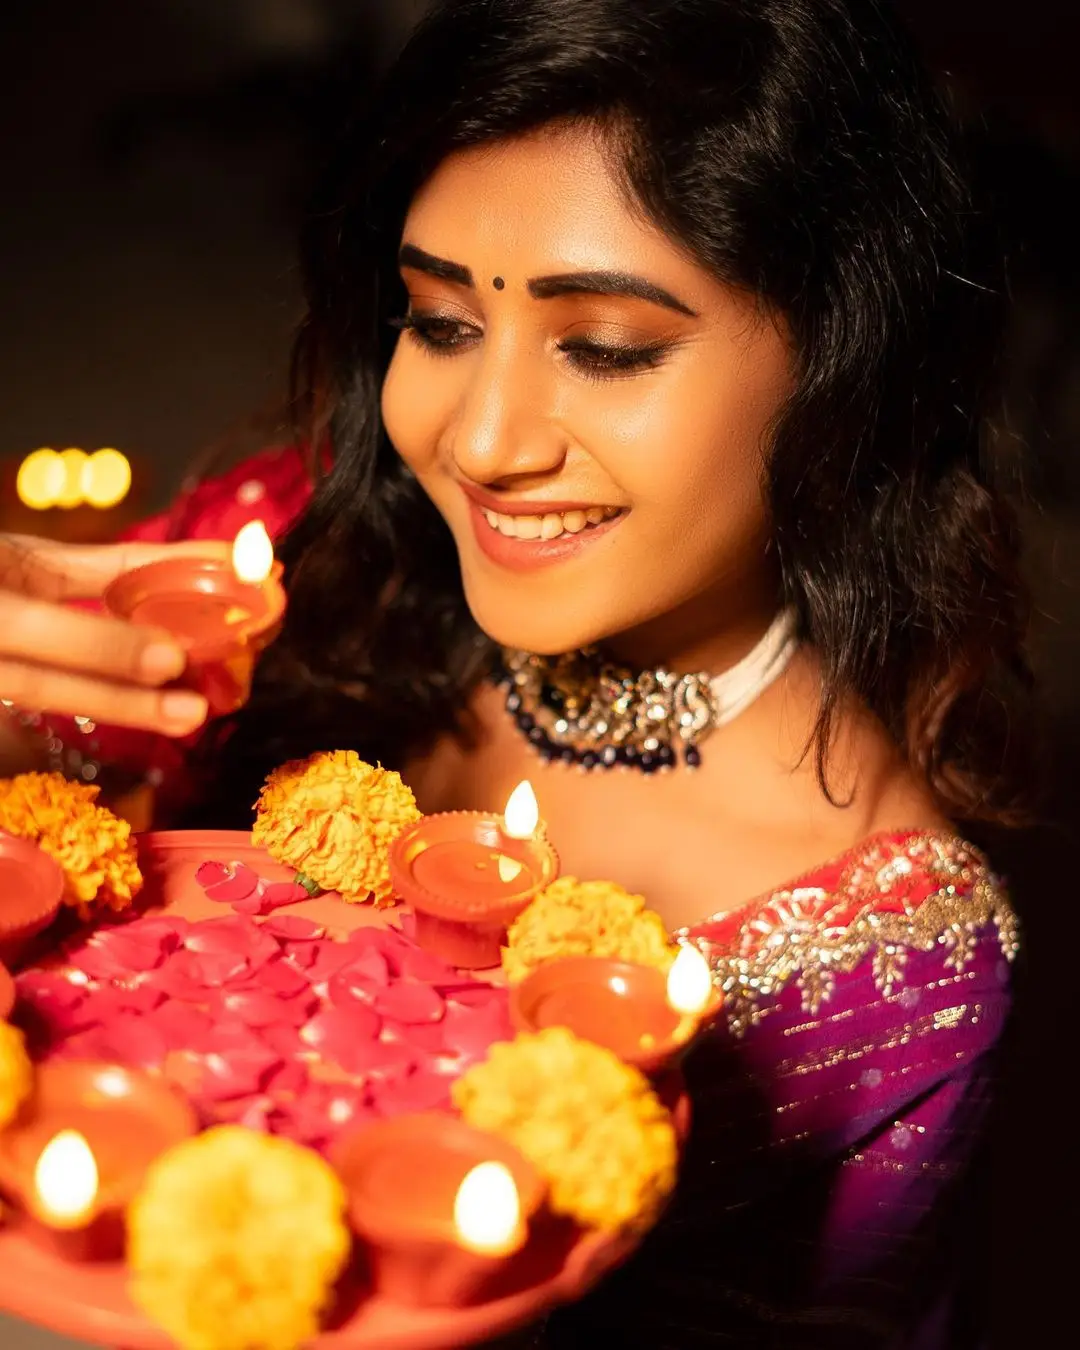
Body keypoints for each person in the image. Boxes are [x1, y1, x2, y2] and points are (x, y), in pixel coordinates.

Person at [0, 1, 1031, 1344]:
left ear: (845, 367)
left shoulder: (886, 954)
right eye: (438, 321)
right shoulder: (285, 559)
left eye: (604, 347)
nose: (479, 443)